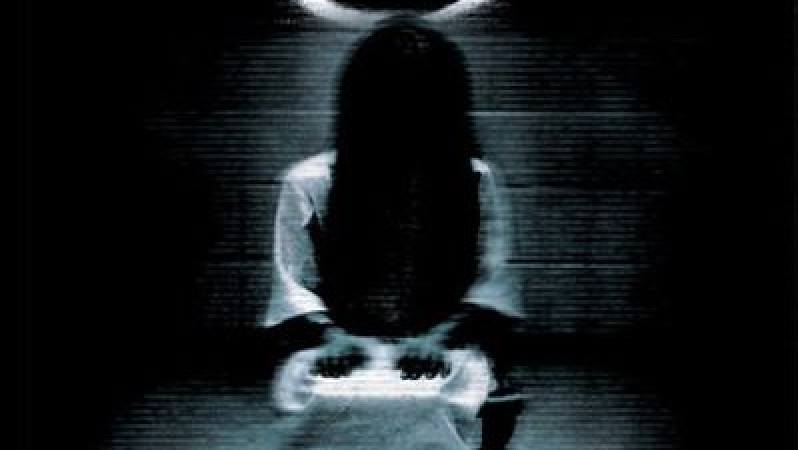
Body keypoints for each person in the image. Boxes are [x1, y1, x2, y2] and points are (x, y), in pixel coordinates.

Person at [265, 17, 524, 448]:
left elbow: (492, 282)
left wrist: (440, 338)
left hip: (449, 344)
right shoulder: (309, 181)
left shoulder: (476, 179)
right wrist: (331, 336)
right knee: (310, 397)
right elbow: (292, 285)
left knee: (461, 392)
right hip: (336, 345)